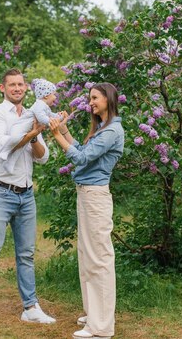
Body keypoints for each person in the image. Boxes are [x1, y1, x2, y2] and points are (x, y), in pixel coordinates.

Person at [0, 68, 57, 328]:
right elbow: (3, 146)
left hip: (26, 194)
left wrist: (34, 136)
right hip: (0, 192)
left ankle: (30, 308)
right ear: (2, 88)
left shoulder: (32, 114)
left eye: (21, 84)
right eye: (12, 85)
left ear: (26, 88)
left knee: (26, 255)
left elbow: (42, 156)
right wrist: (31, 133)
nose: (17, 88)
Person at [48, 83, 125, 339]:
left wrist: (55, 135)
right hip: (87, 195)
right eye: (89, 98)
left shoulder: (112, 130)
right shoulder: (102, 128)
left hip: (95, 197)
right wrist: (64, 130)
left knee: (99, 260)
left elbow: (80, 159)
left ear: (108, 99)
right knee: (87, 257)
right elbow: (83, 151)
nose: (90, 102)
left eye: (94, 98)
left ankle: (101, 327)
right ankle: (94, 313)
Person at [0, 77, 61, 173]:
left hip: (27, 131)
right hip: (19, 127)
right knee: (15, 139)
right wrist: (50, 122)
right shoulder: (39, 105)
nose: (55, 97)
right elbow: (41, 117)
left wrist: (59, 117)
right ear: (46, 96)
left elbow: (51, 115)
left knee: (21, 148)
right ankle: (5, 151)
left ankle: (9, 164)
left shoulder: (45, 107)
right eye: (54, 95)